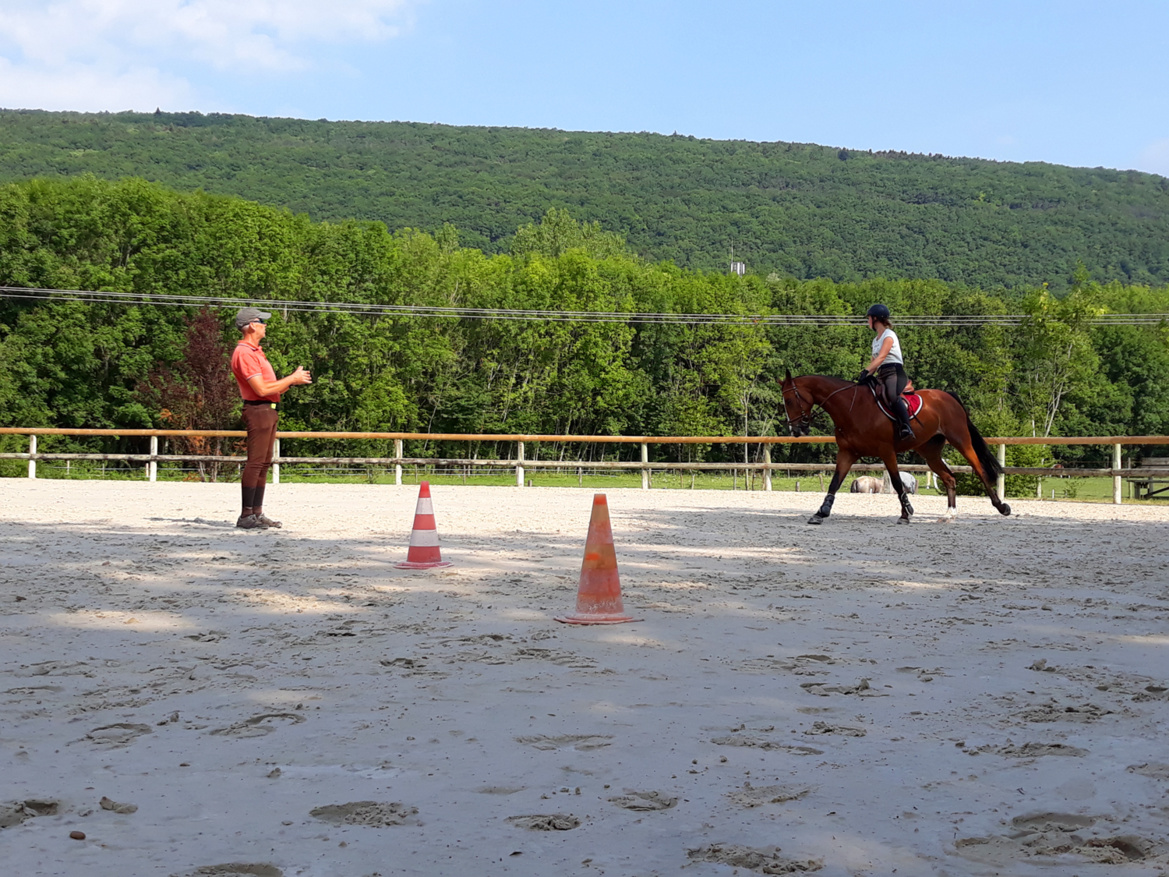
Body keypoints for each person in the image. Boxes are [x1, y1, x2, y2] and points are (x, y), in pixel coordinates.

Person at [229, 307, 312, 529]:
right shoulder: (245, 353)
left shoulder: (255, 352)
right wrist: (291, 378)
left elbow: (271, 388)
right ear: (252, 326)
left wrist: (290, 382)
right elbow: (261, 389)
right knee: (256, 462)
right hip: (258, 409)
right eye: (262, 322)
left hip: (268, 409)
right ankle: (246, 515)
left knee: (263, 463)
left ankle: (256, 513)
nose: (266, 325)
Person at [856, 303, 915, 441]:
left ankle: (907, 426)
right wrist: (865, 376)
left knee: (892, 395)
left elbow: (882, 356)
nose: (868, 321)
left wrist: (866, 370)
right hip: (881, 373)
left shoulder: (889, 335)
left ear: (875, 318)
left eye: (869, 318)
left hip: (894, 371)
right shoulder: (875, 340)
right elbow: (874, 363)